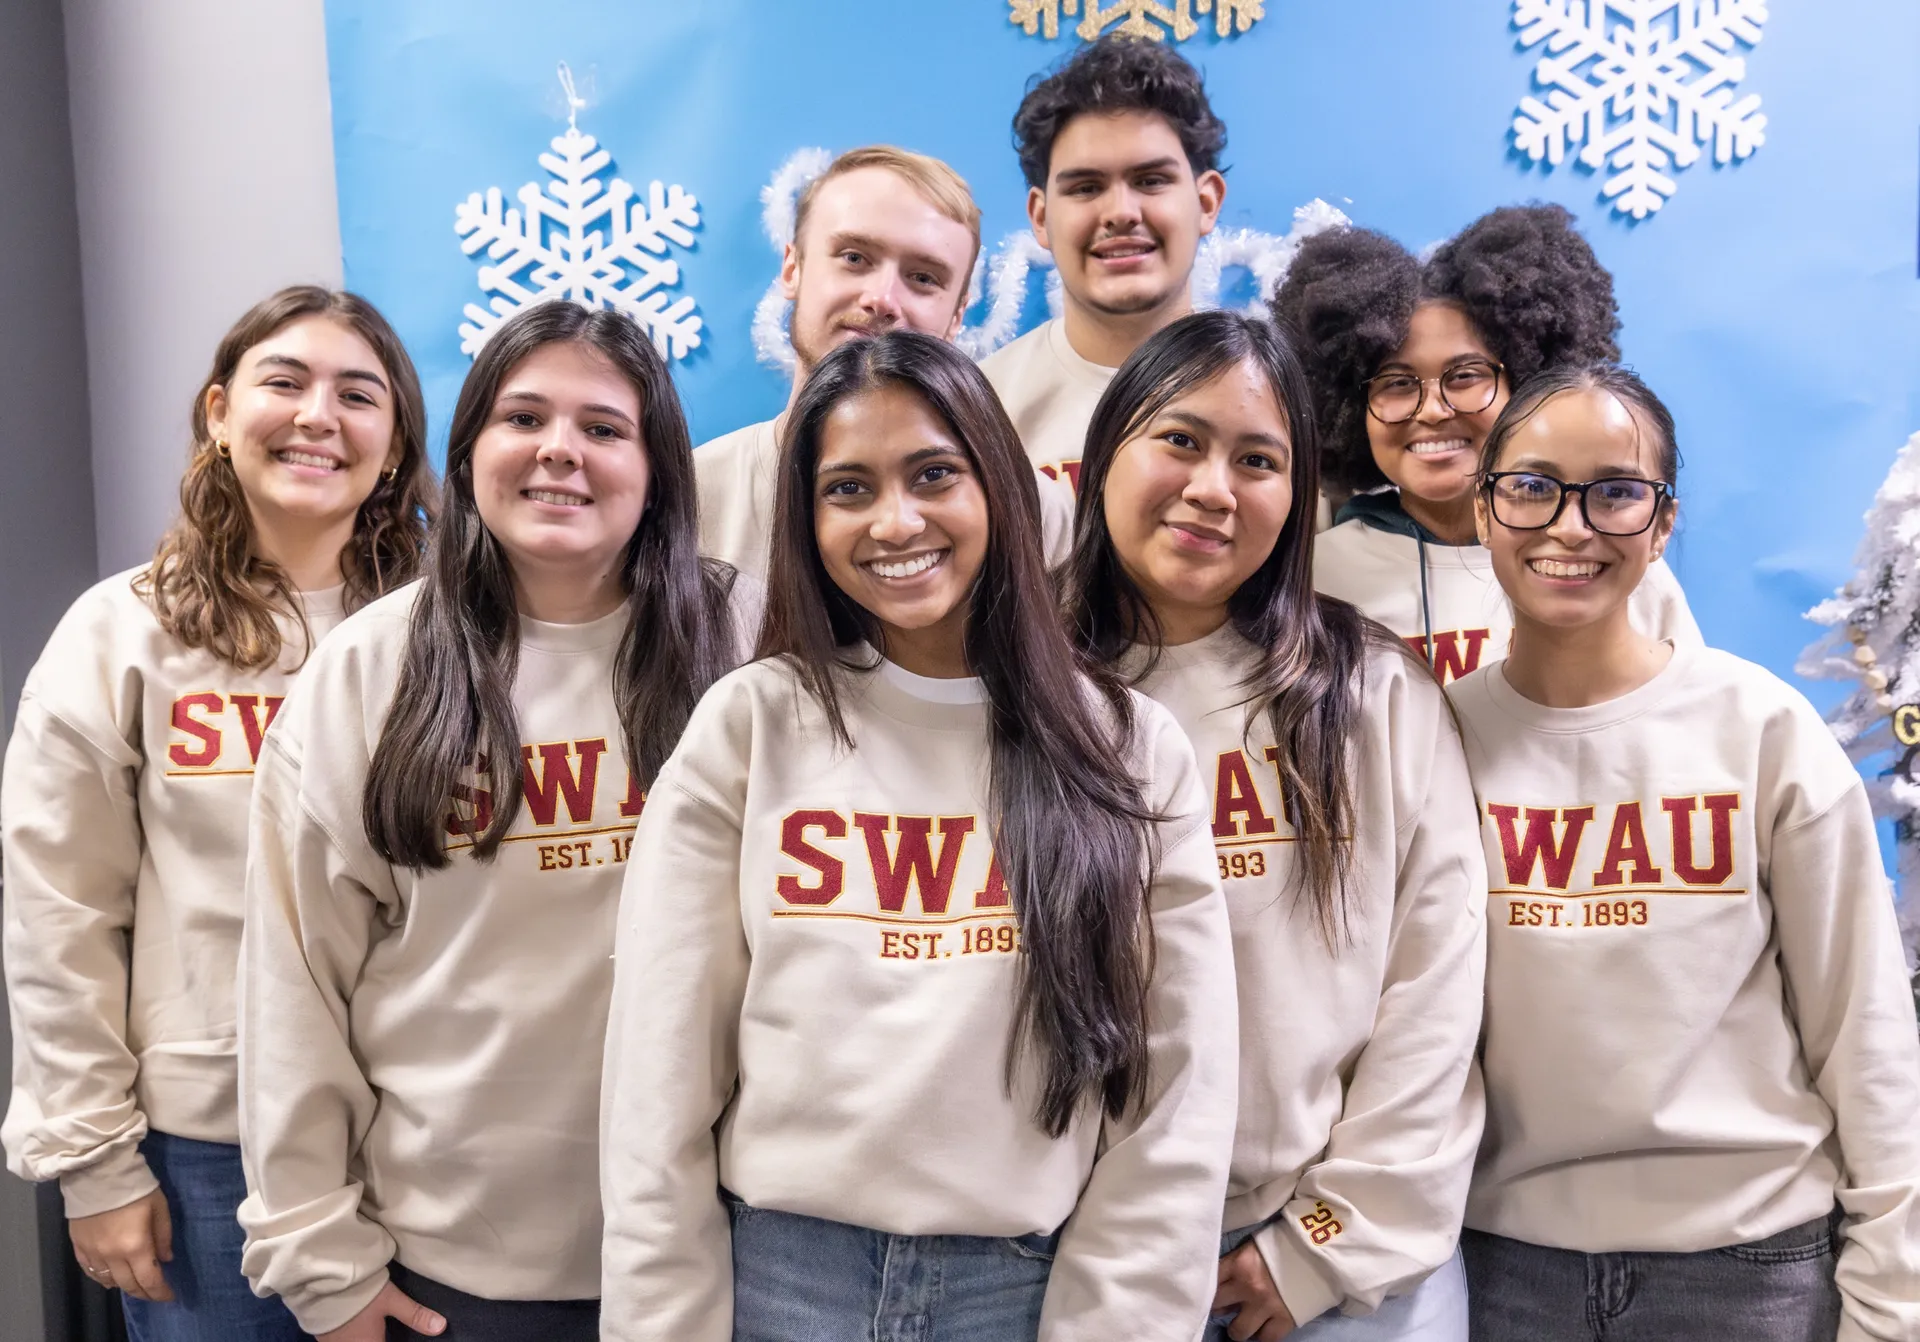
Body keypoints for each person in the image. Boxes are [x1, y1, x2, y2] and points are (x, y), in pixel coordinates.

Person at [600, 330, 1237, 1341]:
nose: (895, 521)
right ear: (807, 520)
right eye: (848, 489)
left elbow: (1176, 1096)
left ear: (1000, 485)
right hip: (780, 1283)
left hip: (1024, 1291)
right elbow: (659, 1073)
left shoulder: (1128, 745)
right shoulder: (750, 725)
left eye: (934, 474)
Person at [236, 302, 742, 1342]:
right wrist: (321, 1260)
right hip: (453, 1271)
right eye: (523, 418)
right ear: (467, 455)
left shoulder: (743, 639)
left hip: (718, 1256)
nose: (560, 449)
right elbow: (293, 979)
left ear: (658, 471)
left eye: (604, 428)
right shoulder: (370, 669)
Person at [1449, 363, 1920, 1340]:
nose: (1571, 527)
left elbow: (1865, 1033)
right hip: (1501, 1269)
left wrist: (1894, 1304)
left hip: (1751, 1269)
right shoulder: (1431, 737)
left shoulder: (1761, 730)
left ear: (1663, 523)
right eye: (1533, 487)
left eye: (1616, 493)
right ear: (1483, 510)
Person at [1, 285, 433, 1340]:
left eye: (358, 395)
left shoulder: (451, 636)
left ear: (394, 446)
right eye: (284, 382)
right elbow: (59, 913)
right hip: (209, 1156)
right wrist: (96, 1165)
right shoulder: (120, 633)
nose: (318, 416)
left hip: (432, 1140)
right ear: (218, 413)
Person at [1066, 310, 1486, 1341]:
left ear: (1298, 499)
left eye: (1258, 460)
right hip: (1083, 1261)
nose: (1214, 488)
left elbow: (1435, 990)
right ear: (1105, 453)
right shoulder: (1025, 690)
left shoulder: (1371, 689)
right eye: (1180, 439)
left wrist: (1321, 1247)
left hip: (1341, 1274)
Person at [1278, 206, 1698, 684]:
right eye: (1396, 383)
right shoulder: (1313, 579)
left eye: (1465, 376)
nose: (1432, 410)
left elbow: (1686, 707)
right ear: (1349, 408)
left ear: (1526, 384)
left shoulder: (1611, 558)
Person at [697, 144, 1072, 575]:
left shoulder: (1039, 513)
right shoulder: (695, 495)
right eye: (854, 258)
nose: (882, 299)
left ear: (957, 316)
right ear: (792, 269)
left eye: (923, 278)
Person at [983, 33, 1225, 498]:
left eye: (1150, 181)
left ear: (1206, 202)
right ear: (1040, 217)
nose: (1120, 213)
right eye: (1086, 187)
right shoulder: (981, 408)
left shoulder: (1273, 398)